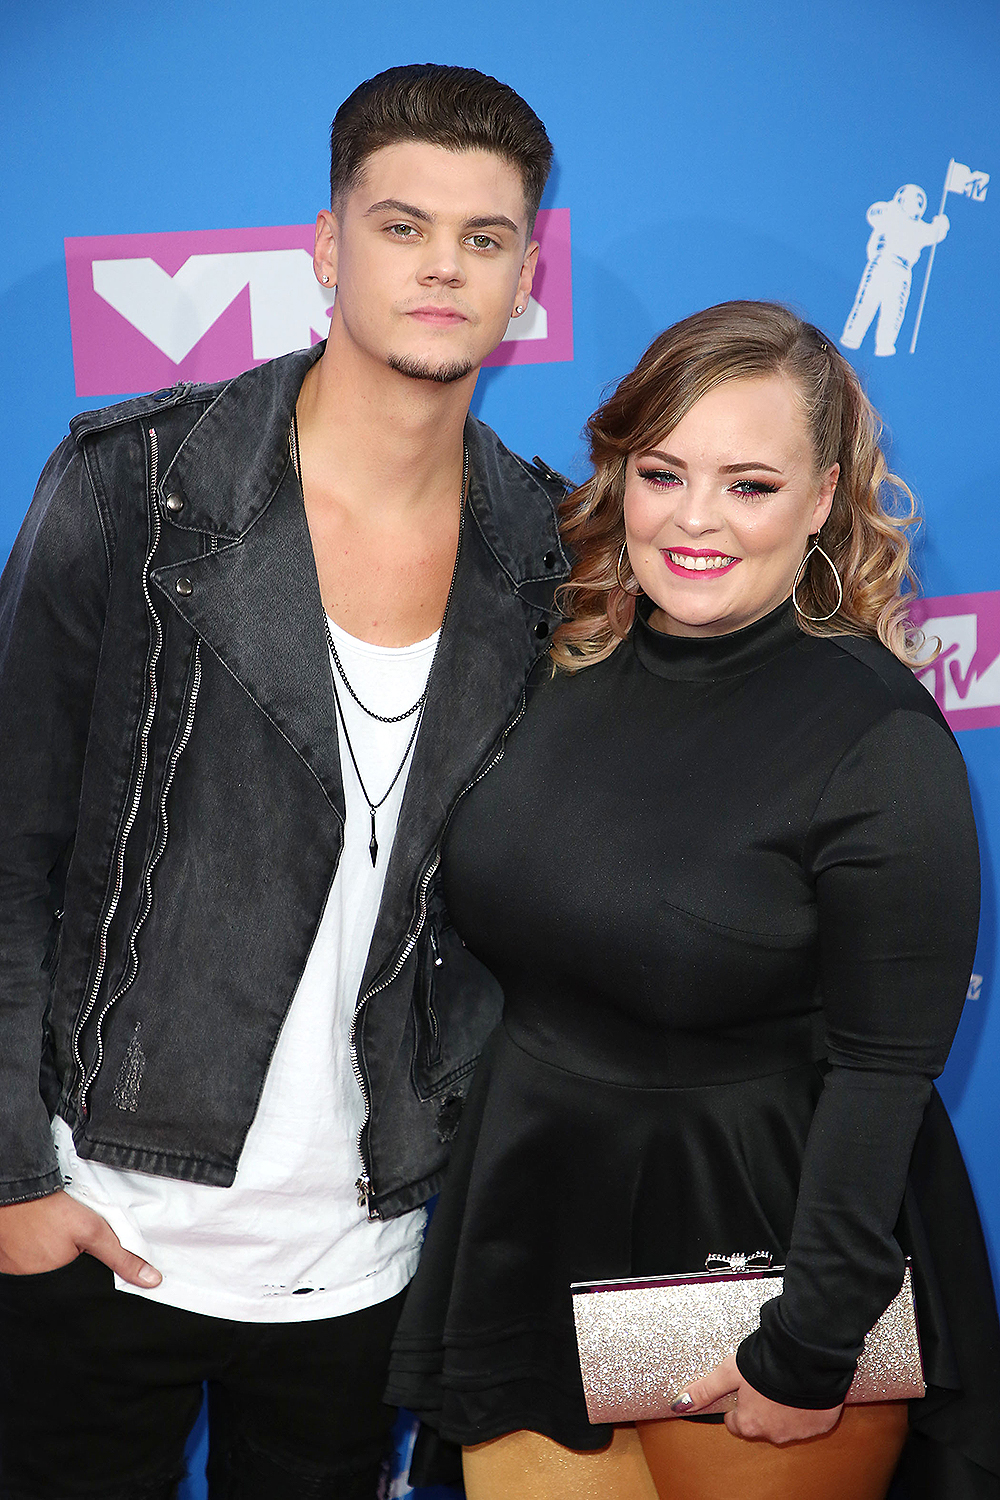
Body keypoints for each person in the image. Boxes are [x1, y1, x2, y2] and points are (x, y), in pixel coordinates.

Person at [0, 64, 569, 1499]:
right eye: (401, 224)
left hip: (374, 1263)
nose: (443, 264)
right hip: (104, 1226)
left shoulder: (551, 546)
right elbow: (9, 850)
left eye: (485, 238)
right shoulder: (135, 485)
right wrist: (11, 1181)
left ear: (524, 278)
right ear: (327, 250)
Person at [386, 301, 1000, 1500]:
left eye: (751, 484)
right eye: (662, 472)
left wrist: (809, 1343)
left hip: (753, 1268)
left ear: (823, 498)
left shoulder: (875, 738)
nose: (696, 518)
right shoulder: (562, 666)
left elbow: (884, 1080)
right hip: (534, 1228)